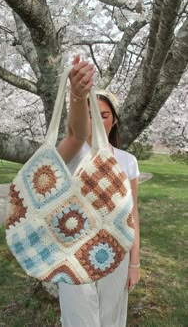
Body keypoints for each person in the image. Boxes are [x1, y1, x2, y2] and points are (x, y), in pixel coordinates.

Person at [57, 55, 141, 327]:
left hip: (116, 251)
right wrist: (78, 96)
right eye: (92, 114)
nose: (98, 120)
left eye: (104, 115)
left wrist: (134, 263)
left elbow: (133, 215)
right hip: (73, 251)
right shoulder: (71, 152)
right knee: (79, 320)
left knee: (111, 320)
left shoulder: (128, 162)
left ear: (114, 120)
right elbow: (75, 133)